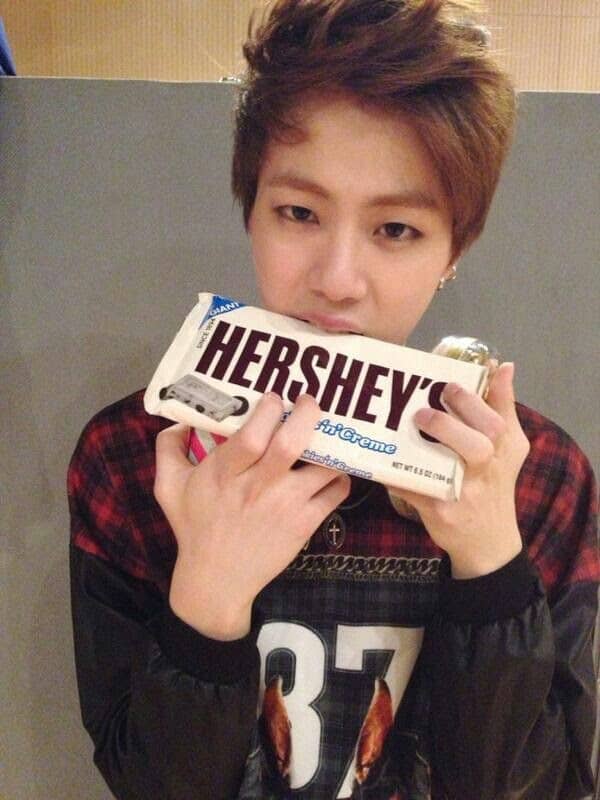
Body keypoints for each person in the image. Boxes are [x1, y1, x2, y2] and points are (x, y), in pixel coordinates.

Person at [68, 1, 599, 798]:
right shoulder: (138, 455)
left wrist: (491, 564)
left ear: (454, 248)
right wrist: (209, 591)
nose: (338, 281)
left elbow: (544, 785)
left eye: (396, 230)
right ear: (251, 210)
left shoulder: (535, 474)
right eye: (299, 213)